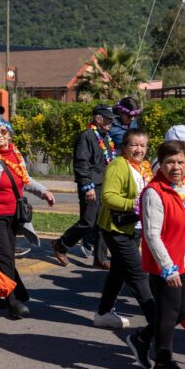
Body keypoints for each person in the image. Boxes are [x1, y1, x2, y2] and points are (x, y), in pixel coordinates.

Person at [125, 140, 185, 369]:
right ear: (160, 163)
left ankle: (140, 339)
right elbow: (151, 234)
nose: (176, 167)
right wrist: (167, 268)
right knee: (169, 313)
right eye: (169, 162)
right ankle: (163, 361)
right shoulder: (154, 192)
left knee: (184, 309)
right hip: (167, 265)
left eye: (181, 162)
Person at [0, 118, 54, 319]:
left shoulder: (16, 154)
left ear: (9, 135)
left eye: (3, 132)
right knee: (6, 256)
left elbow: (25, 179)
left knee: (0, 257)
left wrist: (43, 191)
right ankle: (12, 300)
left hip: (13, 215)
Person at [94, 129, 156, 330]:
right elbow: (108, 196)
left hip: (135, 227)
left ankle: (103, 313)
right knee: (138, 273)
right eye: (134, 145)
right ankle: (157, 321)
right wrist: (135, 204)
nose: (139, 149)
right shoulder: (118, 166)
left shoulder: (144, 167)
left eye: (143, 146)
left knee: (118, 272)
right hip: (116, 228)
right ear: (124, 147)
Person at [52, 104, 115, 269]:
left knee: (103, 223)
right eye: (108, 119)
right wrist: (88, 186)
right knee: (88, 222)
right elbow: (81, 163)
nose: (111, 123)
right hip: (91, 185)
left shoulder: (105, 137)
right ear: (98, 119)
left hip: (105, 184)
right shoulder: (86, 136)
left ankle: (100, 259)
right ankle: (61, 245)